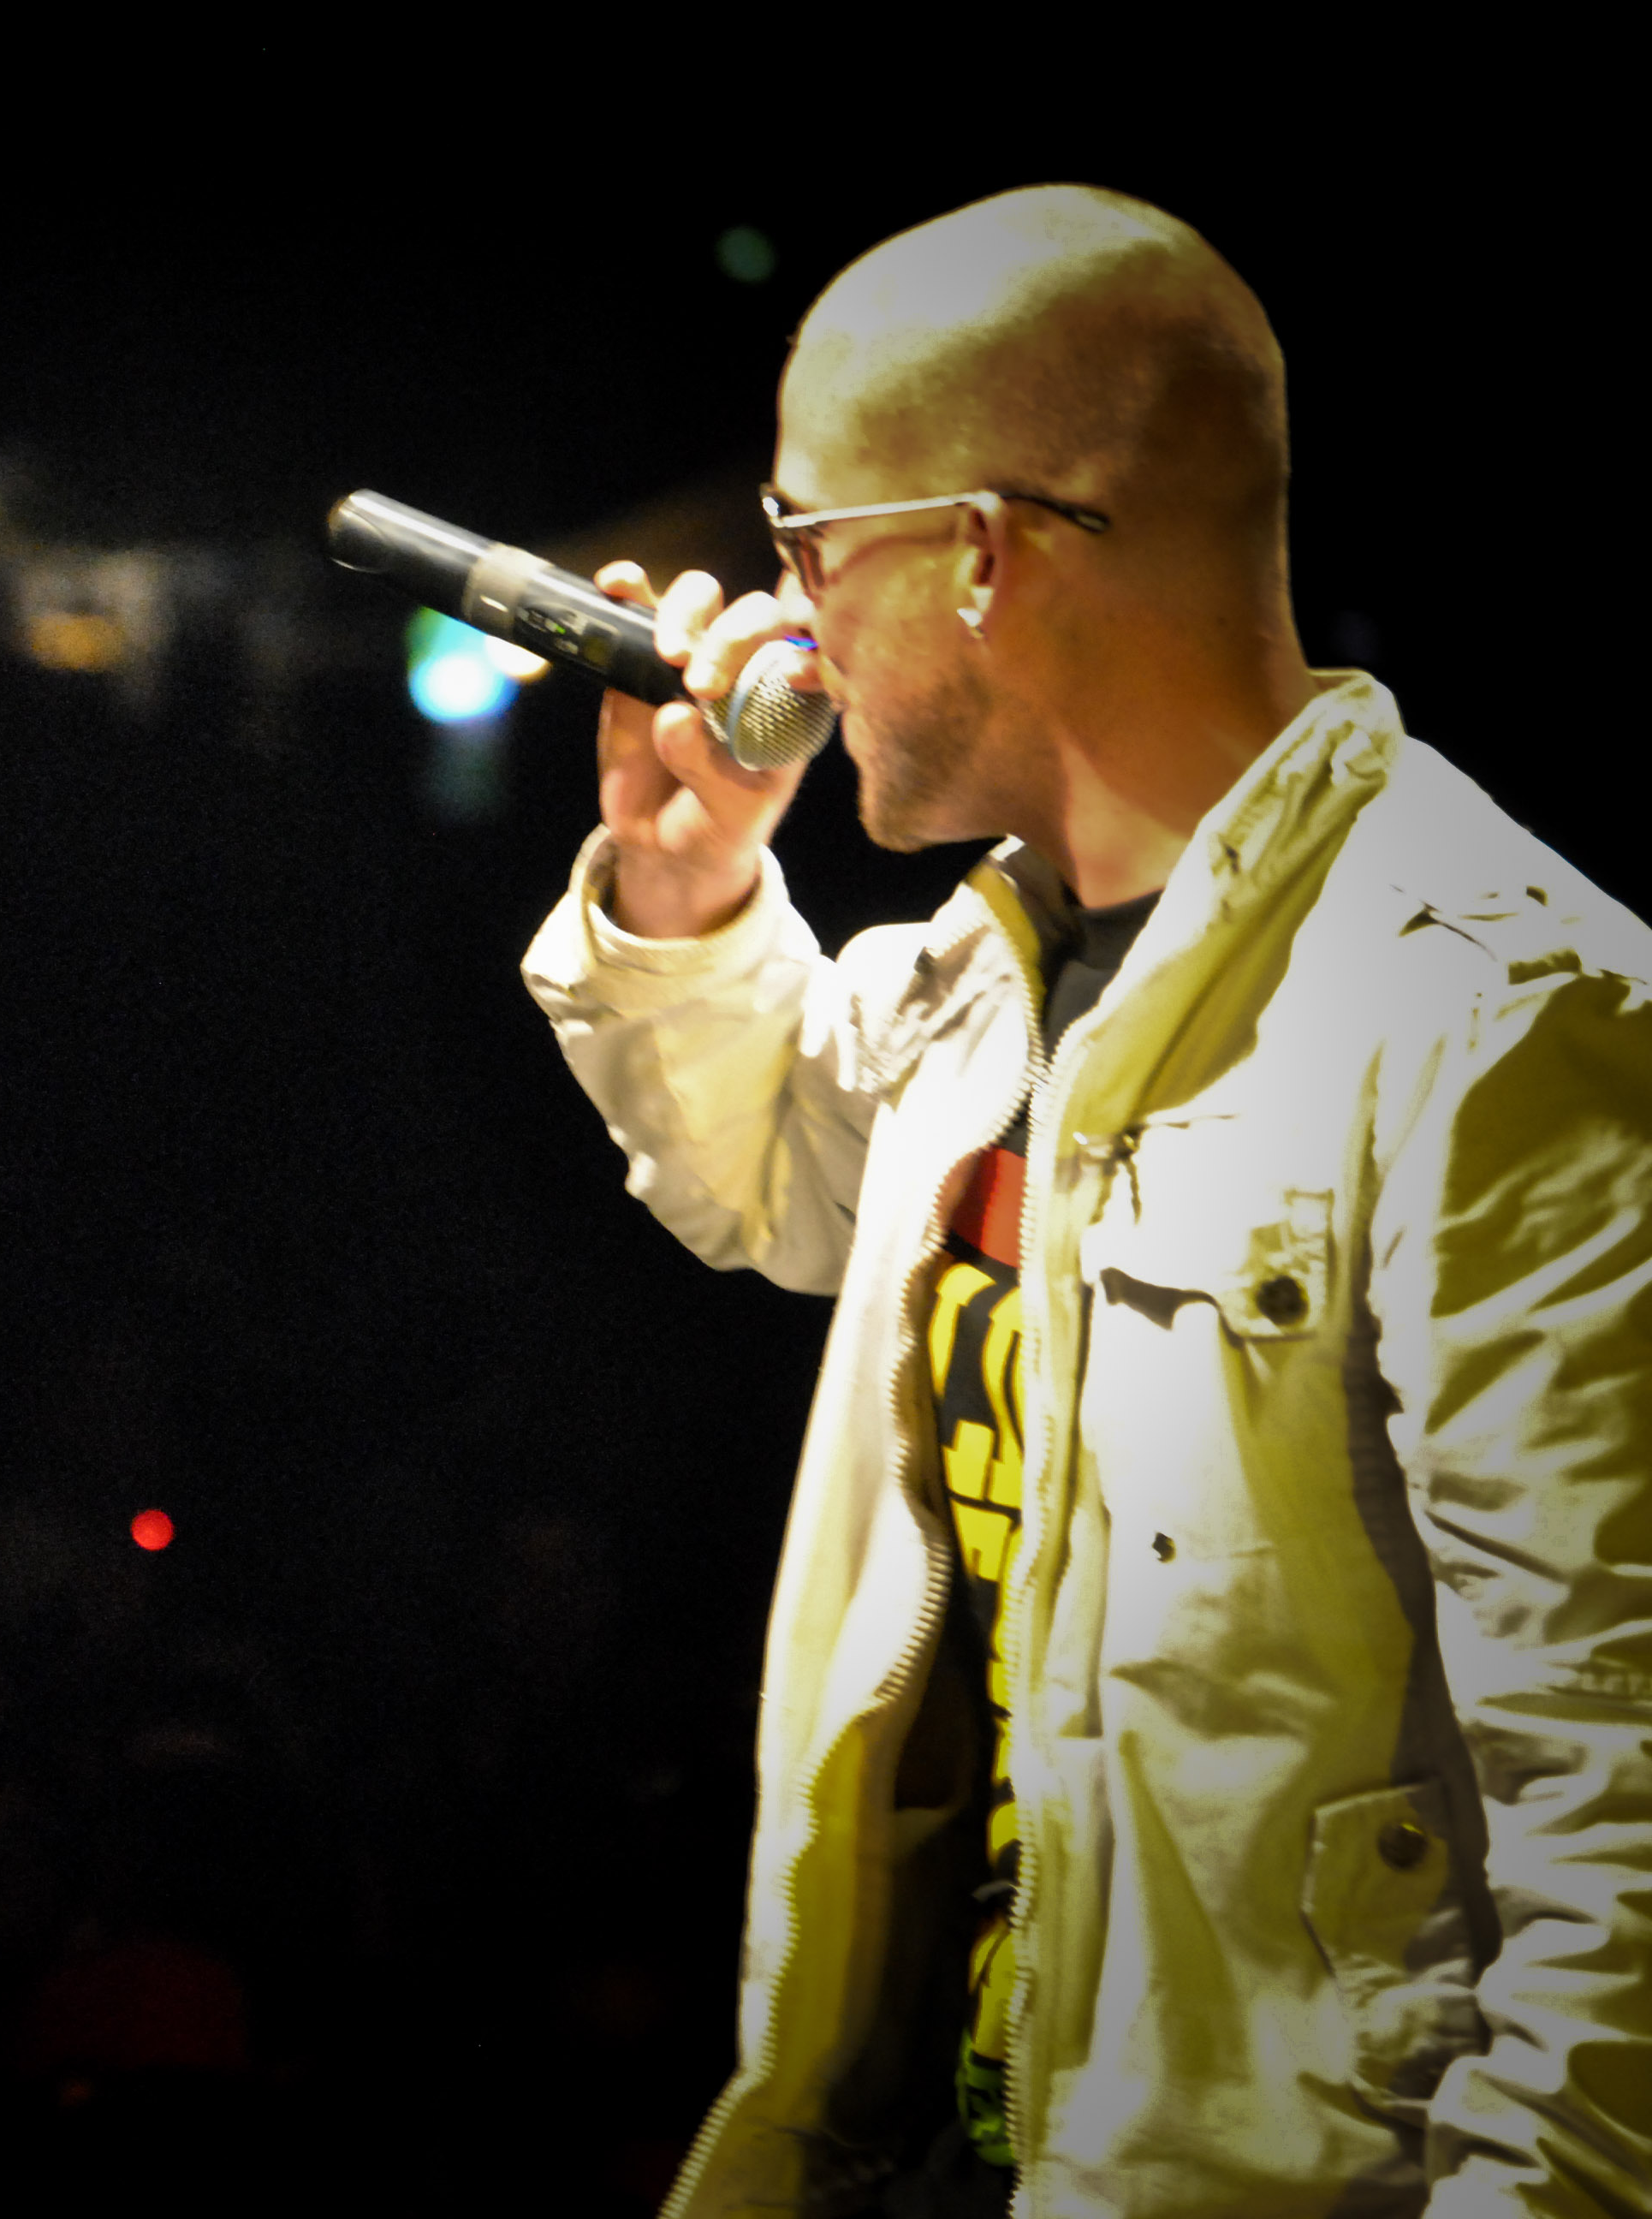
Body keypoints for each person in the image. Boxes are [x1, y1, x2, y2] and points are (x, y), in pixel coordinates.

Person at [521, 184, 1648, 2215]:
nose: (779, 620)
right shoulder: (1002, 966)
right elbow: (782, 1174)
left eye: (805, 543)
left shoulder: (1496, 1020)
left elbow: (1624, 1883)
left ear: (980, 550)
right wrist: (688, 890)